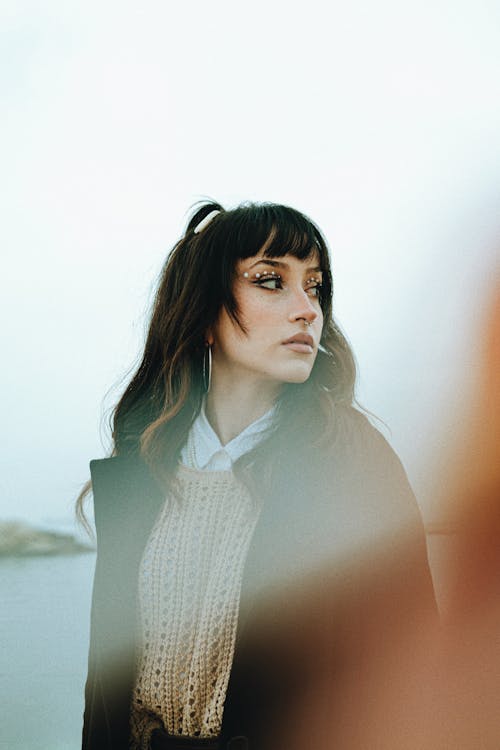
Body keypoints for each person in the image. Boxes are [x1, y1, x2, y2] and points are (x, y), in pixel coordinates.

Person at [79, 201, 435, 750]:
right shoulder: (140, 465)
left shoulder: (353, 463)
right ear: (202, 315)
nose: (307, 310)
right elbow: (104, 694)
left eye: (315, 287)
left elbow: (414, 675)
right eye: (271, 281)